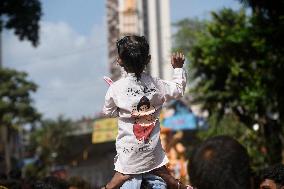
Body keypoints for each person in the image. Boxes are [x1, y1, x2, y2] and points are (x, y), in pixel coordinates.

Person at [101, 35, 191, 189]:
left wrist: (121, 107)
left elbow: (108, 112)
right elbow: (178, 89)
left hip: (128, 160)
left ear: (119, 61)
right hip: (153, 157)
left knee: (116, 181)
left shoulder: (115, 89)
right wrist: (178, 68)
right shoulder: (157, 85)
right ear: (148, 59)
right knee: (167, 177)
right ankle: (178, 184)